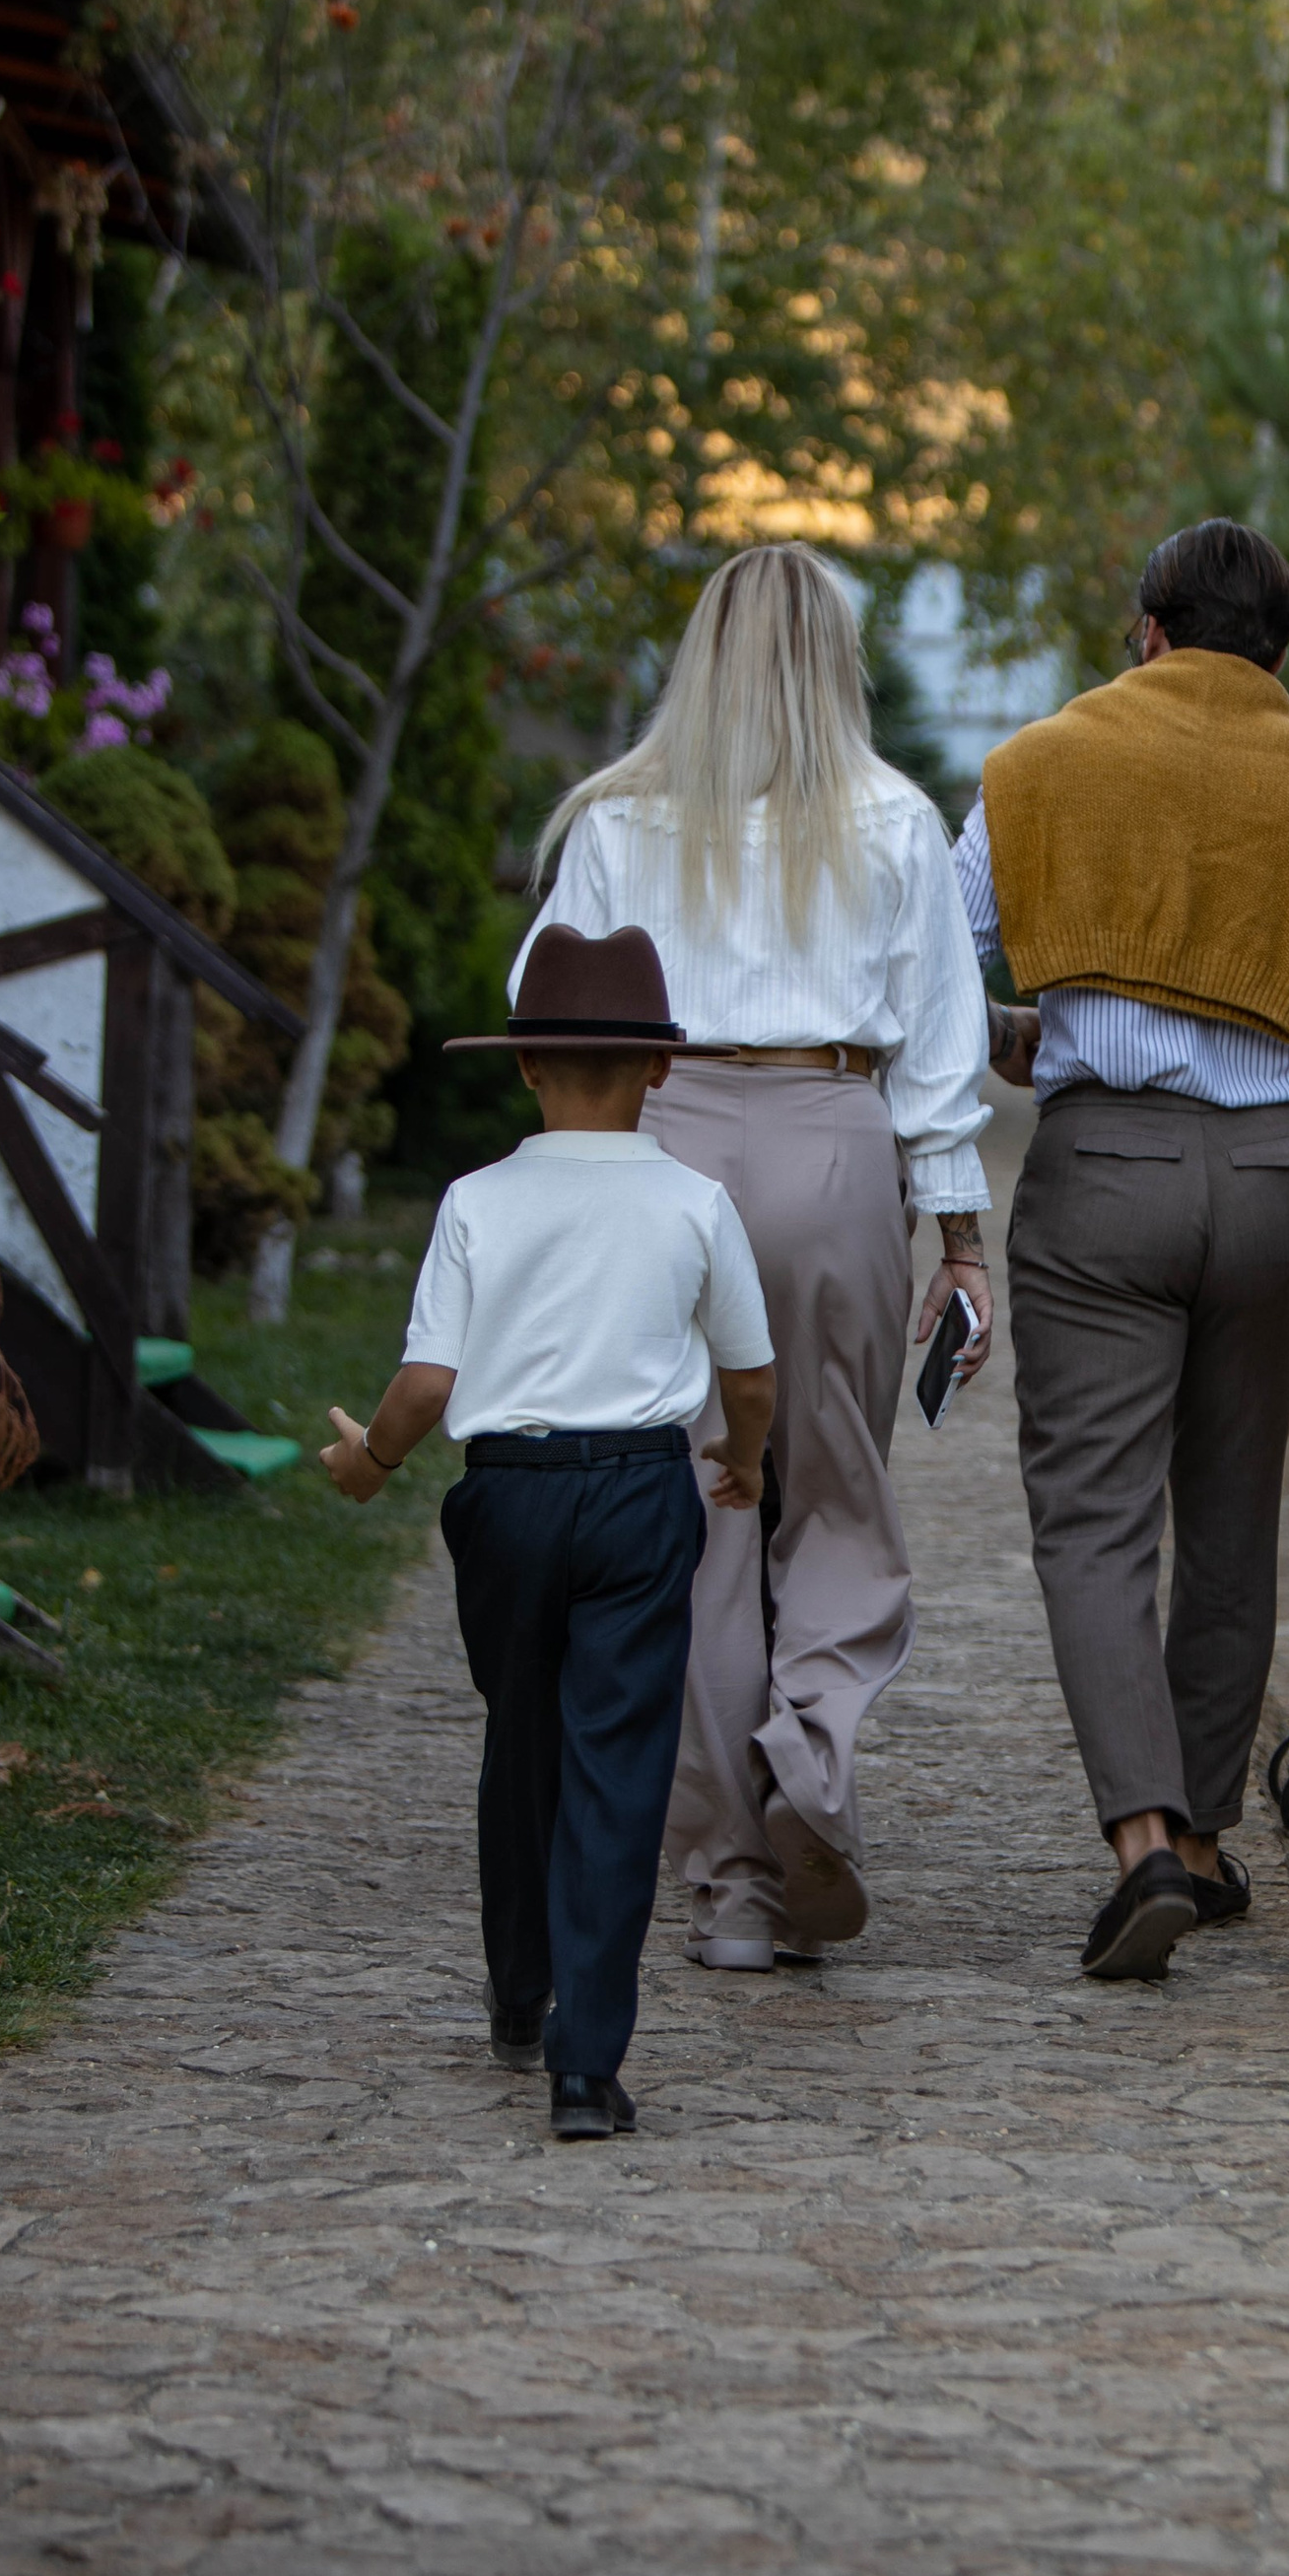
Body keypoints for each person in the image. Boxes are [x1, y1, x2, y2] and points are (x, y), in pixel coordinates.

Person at [514, 544, 993, 1972]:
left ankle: (730, 1886)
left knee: (706, 1515)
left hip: (668, 1147)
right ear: (836, 662)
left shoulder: (619, 816)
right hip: (835, 1133)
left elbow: (539, 996)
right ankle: (813, 1769)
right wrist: (963, 1242)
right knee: (833, 1494)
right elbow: (943, 1060)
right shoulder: (897, 820)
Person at [957, 517, 1289, 1982]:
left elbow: (924, 950)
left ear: (1149, 628)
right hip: (1278, 1176)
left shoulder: (1038, 767)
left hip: (1103, 1168)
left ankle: (1144, 1843)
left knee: (1095, 1519)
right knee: (1232, 1520)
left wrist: (1026, 1031)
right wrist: (1268, 1033)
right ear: (1277, 651)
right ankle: (1214, 1845)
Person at [320, 924, 775, 2141]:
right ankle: (586, 2064)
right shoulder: (695, 1201)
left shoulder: (477, 1201)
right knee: (616, 1766)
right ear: (661, 1070)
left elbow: (424, 1384)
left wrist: (367, 1462)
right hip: (637, 1493)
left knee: (518, 1736)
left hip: (507, 1496)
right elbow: (751, 1368)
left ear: (524, 1064)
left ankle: (517, 1991)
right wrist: (745, 1457)